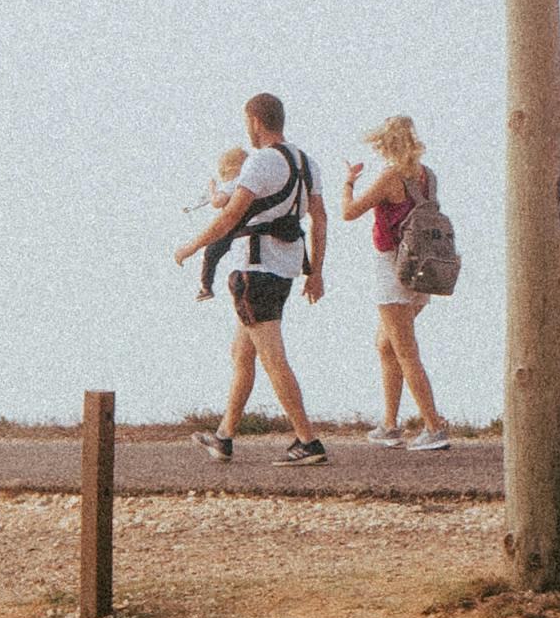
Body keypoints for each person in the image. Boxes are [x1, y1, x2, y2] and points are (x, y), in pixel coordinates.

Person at [171, 91, 326, 463]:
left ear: (255, 121)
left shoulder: (260, 162)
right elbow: (319, 219)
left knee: (273, 359)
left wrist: (191, 247)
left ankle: (308, 441)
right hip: (285, 269)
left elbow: (228, 217)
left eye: (247, 123)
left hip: (254, 272)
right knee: (242, 352)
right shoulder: (307, 162)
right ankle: (224, 437)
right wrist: (316, 272)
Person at [341, 116, 456, 451]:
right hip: (424, 267)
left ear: (386, 145)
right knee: (386, 344)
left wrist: (348, 183)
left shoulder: (391, 177)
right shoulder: (427, 176)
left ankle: (434, 427)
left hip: (393, 267)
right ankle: (390, 425)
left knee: (406, 351)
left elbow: (349, 212)